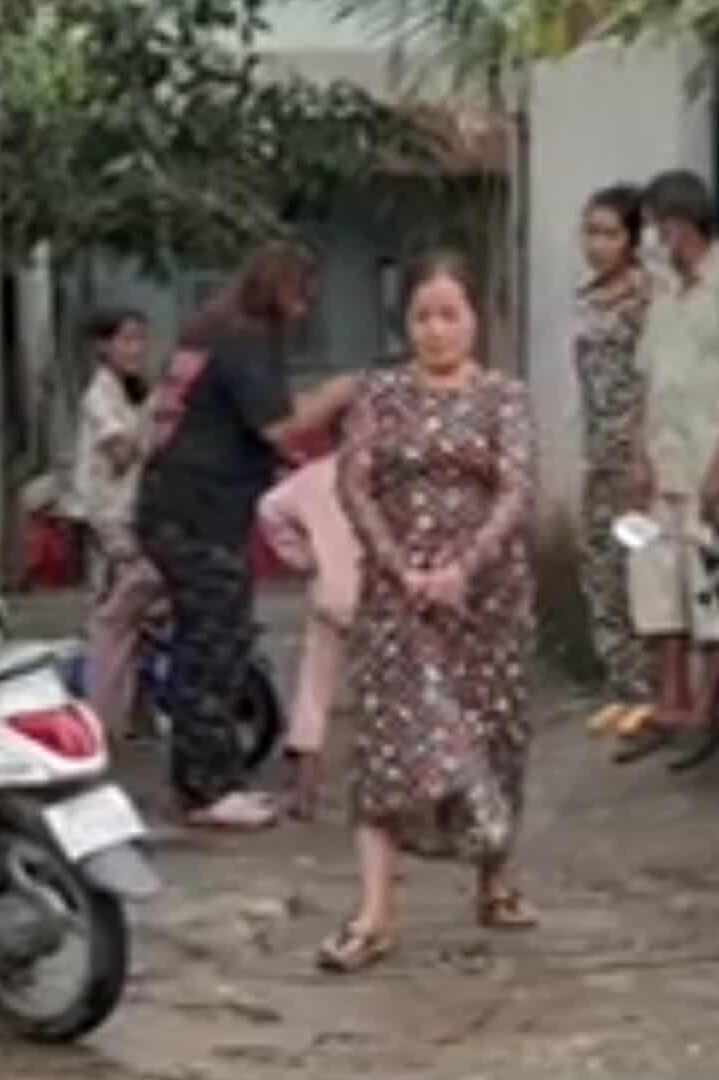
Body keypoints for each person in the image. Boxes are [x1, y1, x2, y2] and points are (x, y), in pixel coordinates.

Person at [318, 249, 537, 974]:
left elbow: (515, 489)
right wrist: (400, 566)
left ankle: (493, 883)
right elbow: (354, 483)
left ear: (474, 320)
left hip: (487, 599)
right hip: (398, 599)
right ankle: (374, 913)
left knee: (491, 735)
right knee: (390, 743)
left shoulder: (503, 397)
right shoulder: (379, 394)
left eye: (449, 315)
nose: (436, 331)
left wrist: (462, 568)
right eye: (422, 317)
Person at [136, 241, 357, 831]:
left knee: (211, 639)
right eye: (301, 296)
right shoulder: (246, 339)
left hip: (177, 505)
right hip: (200, 512)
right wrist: (337, 394)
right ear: (280, 291)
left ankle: (209, 778)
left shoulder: (212, 330)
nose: (304, 311)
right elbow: (279, 426)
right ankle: (206, 789)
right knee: (214, 645)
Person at [619, 168, 719, 764]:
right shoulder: (664, 293)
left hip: (714, 462)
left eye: (658, 227)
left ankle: (710, 709)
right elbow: (648, 380)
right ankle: (671, 702)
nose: (652, 241)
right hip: (665, 461)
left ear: (681, 225)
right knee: (656, 582)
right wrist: (638, 452)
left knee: (710, 589)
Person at [573, 183, 655, 738]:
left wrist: (643, 450)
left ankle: (650, 690)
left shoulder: (648, 298)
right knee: (599, 567)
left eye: (609, 233)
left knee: (638, 567)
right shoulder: (588, 299)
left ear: (632, 239)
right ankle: (620, 684)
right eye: (590, 232)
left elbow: (654, 377)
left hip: (636, 453)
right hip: (597, 452)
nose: (597, 244)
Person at [256, 394, 362, 821]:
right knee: (392, 691)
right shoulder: (388, 476)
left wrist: (301, 557)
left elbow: (268, 508)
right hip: (381, 597)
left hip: (330, 593)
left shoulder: (312, 478)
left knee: (314, 689)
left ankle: (305, 789)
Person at [74, 308, 160, 742]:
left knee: (140, 619)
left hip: (134, 514)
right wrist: (152, 426)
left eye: (140, 339)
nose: (136, 349)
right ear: (103, 346)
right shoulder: (100, 396)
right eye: (126, 340)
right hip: (111, 521)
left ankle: (135, 713)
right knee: (114, 620)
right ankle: (103, 719)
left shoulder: (134, 391)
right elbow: (120, 454)